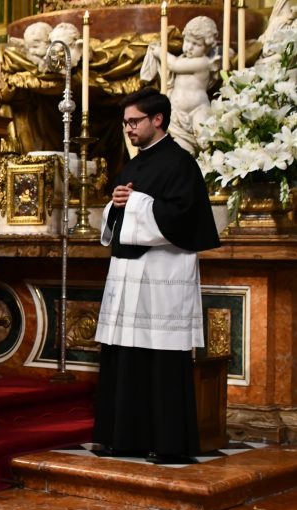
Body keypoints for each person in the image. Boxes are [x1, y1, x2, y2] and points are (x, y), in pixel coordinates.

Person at [92, 88, 220, 464]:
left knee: (161, 360)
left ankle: (167, 442)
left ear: (157, 120)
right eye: (126, 123)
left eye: (134, 121)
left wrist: (134, 205)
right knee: (126, 355)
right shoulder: (133, 164)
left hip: (162, 275)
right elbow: (118, 216)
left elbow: (182, 216)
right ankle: (123, 437)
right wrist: (116, 207)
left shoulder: (181, 163)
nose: (128, 129)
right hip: (130, 274)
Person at [142, 16, 220, 154]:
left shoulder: (202, 63)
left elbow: (174, 65)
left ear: (207, 47)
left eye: (196, 44)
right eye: (187, 41)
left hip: (197, 111)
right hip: (177, 114)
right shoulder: (184, 58)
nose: (189, 47)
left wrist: (160, 52)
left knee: (205, 142)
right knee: (181, 151)